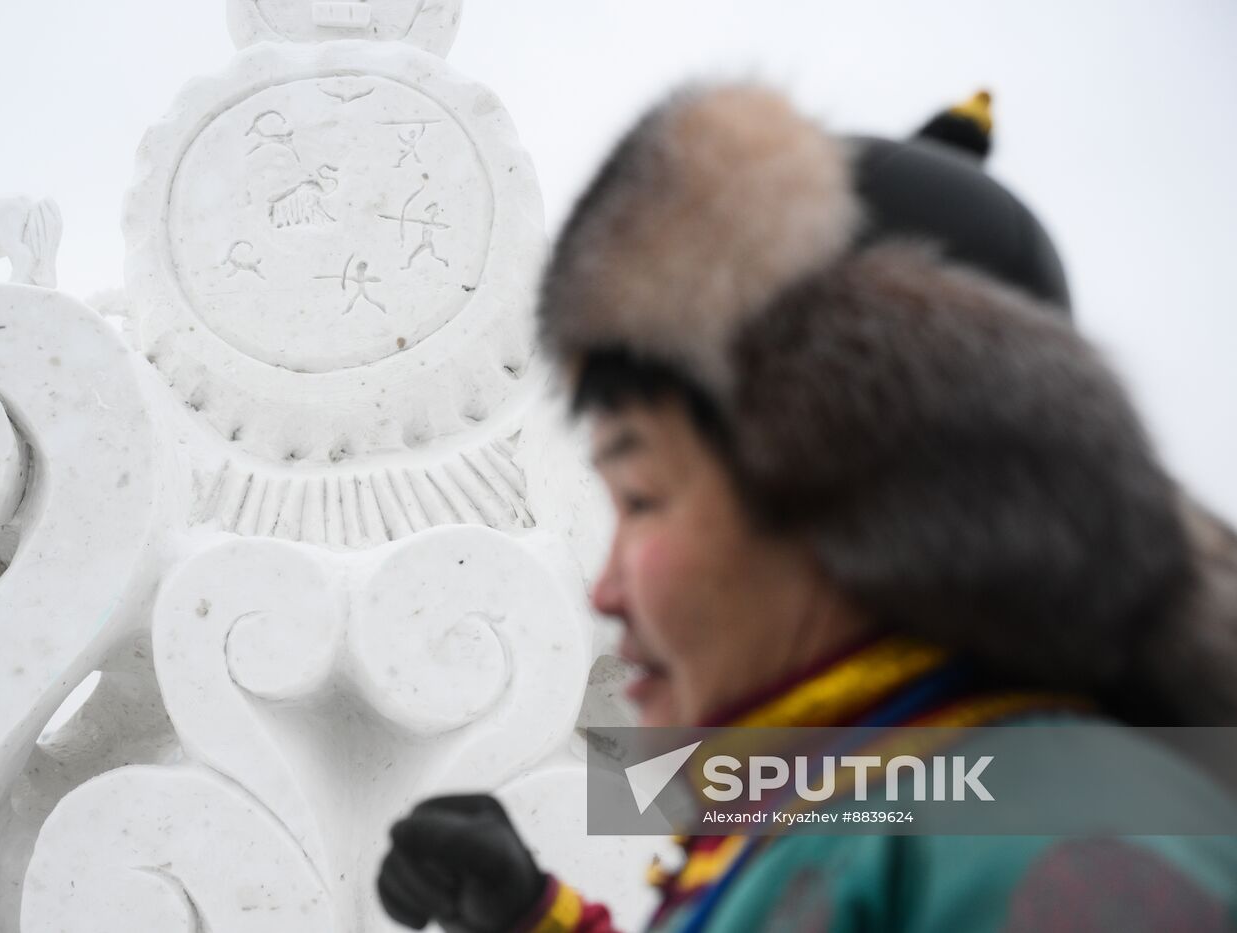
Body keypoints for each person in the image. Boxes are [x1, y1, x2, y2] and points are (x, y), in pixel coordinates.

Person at [376, 86, 1237, 931]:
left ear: (863, 490)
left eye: (642, 498)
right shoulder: (888, 803)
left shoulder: (1068, 847)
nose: (603, 588)